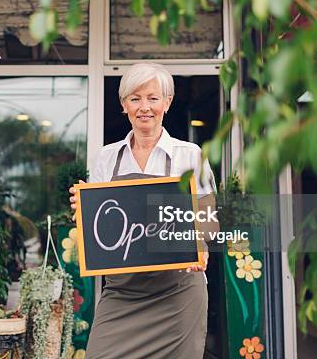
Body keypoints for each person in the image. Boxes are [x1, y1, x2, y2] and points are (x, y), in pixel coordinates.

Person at [69, 62, 218, 359]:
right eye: (135, 99)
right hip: (122, 292)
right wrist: (81, 209)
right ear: (124, 105)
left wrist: (200, 248)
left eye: (152, 98)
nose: (144, 107)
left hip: (177, 293)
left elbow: (208, 222)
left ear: (167, 102)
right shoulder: (107, 157)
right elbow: (99, 230)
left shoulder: (189, 155)